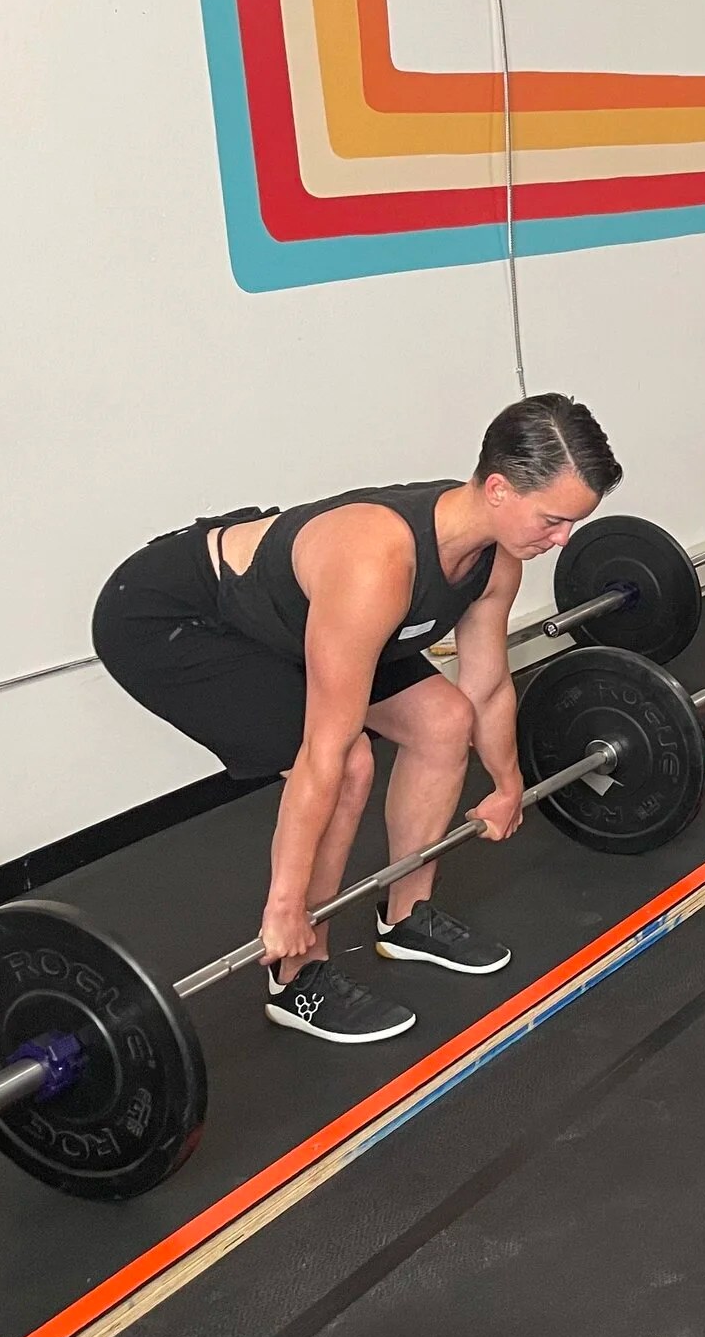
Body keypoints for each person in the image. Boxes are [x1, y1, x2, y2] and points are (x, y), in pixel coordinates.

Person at [92, 394, 621, 1045]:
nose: (562, 539)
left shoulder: (495, 560)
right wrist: (286, 906)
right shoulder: (378, 564)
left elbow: (485, 688)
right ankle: (297, 977)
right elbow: (325, 752)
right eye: (553, 519)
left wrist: (508, 783)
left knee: (443, 720)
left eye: (572, 523)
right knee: (350, 765)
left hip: (293, 615)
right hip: (176, 619)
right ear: (498, 489)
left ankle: (406, 915)